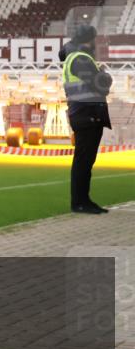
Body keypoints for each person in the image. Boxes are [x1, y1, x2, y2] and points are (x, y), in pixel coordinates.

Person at [59, 25, 113, 214]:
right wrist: (105, 75)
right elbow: (101, 85)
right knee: (84, 161)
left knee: (85, 160)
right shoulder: (81, 59)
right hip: (87, 113)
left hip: (83, 113)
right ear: (89, 40)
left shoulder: (73, 56)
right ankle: (80, 202)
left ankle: (83, 200)